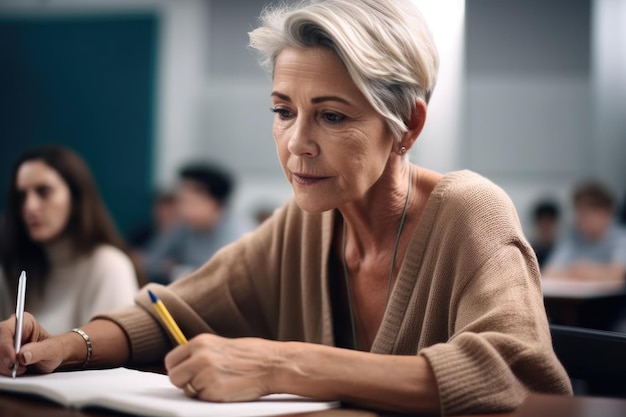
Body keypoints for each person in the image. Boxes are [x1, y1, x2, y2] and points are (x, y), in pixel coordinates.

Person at [0, 1, 570, 415]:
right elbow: (170, 311)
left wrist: (283, 366)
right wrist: (66, 346)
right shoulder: (304, 223)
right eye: (283, 110)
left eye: (332, 115)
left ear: (408, 125)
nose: (297, 143)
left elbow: (516, 375)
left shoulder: (470, 212)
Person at [0, 146, 138, 334]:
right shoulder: (12, 268)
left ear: (76, 197)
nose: (30, 207)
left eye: (44, 191)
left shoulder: (108, 265)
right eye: (21, 196)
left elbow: (114, 353)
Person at [142, 163, 254, 283]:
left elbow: (219, 279)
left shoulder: (238, 235)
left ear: (213, 203)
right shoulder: (184, 226)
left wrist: (175, 269)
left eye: (187, 202)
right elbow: (149, 262)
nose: (180, 208)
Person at [543, 181, 626, 282]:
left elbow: (617, 274)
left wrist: (584, 271)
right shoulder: (573, 236)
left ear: (607, 212)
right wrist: (580, 273)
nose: (582, 218)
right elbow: (548, 272)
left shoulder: (621, 238)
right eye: (579, 211)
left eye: (588, 212)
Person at [530, 200, 561, 268]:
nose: (545, 229)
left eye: (548, 226)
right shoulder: (528, 252)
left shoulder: (563, 251)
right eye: (543, 226)